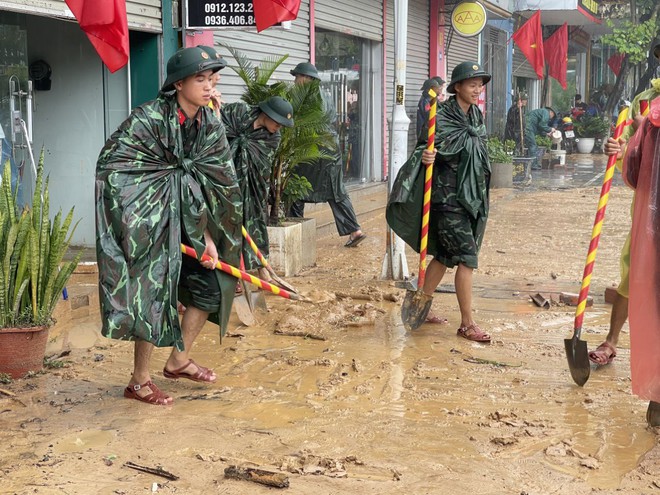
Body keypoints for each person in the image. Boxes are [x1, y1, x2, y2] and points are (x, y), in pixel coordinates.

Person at [95, 47, 242, 406]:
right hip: (152, 225)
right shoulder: (147, 120)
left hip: (191, 225)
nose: (209, 87)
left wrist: (208, 236)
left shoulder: (208, 123)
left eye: (213, 80)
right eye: (201, 79)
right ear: (178, 84)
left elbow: (216, 181)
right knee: (153, 294)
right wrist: (146, 220)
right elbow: (112, 167)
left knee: (210, 286)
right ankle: (138, 381)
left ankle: (178, 360)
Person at [387, 61, 492, 342]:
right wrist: (426, 156)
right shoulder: (440, 115)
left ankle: (420, 305)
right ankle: (467, 324)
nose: (477, 89)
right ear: (457, 87)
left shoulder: (476, 117)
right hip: (446, 200)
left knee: (445, 257)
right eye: (472, 84)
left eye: (480, 84)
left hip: (469, 197)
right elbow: (425, 146)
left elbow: (478, 147)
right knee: (467, 258)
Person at [591, 41, 660, 367]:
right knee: (635, 268)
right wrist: (619, 149)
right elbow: (633, 158)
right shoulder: (645, 104)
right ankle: (612, 340)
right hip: (649, 203)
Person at [288, 62, 366, 248]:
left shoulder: (308, 96)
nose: (295, 81)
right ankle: (355, 230)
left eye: (297, 77)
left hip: (315, 150)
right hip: (329, 150)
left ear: (307, 78)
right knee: (335, 191)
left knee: (295, 188)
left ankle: (296, 235)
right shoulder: (324, 95)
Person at [222, 96, 294, 280]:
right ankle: (232, 271)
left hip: (253, 184)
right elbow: (215, 129)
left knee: (255, 222)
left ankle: (261, 266)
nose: (279, 128)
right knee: (227, 222)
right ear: (267, 114)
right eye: (279, 123)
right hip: (225, 182)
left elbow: (261, 162)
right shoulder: (239, 113)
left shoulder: (273, 137)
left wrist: (240, 141)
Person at [416, 77, 445, 142]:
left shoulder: (432, 99)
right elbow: (431, 116)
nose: (439, 90)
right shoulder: (426, 101)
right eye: (437, 88)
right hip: (427, 135)